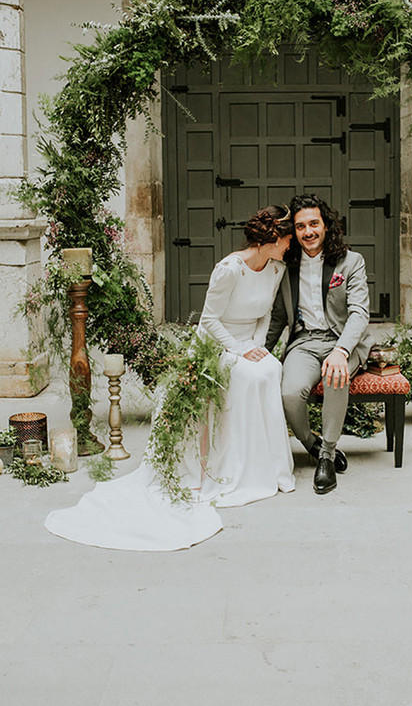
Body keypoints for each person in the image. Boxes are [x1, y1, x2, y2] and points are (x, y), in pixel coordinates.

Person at [45, 205, 296, 551]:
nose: (289, 247)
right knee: (247, 376)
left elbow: (265, 315)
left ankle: (265, 469)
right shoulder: (229, 269)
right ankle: (231, 469)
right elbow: (209, 320)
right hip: (218, 344)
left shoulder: (276, 269)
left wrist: (257, 347)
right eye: (286, 240)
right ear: (271, 239)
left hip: (249, 342)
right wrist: (237, 350)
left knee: (271, 369)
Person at [265, 194, 373, 495]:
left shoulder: (351, 262)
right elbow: (277, 317)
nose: (308, 231)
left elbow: (359, 312)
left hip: (343, 340)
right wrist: (259, 350)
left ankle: (326, 456)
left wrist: (341, 351)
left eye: (314, 223)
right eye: (301, 227)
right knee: (289, 393)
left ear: (326, 225)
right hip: (305, 341)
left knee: (334, 375)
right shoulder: (287, 265)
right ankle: (312, 444)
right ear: (295, 232)